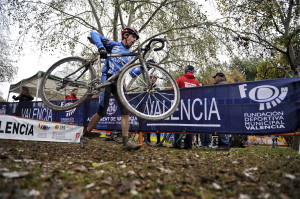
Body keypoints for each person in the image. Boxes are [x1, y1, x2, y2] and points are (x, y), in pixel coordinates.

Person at [80, 27, 142, 151]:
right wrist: (101, 47)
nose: (135, 40)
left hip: (120, 83)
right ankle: (85, 135)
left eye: (136, 39)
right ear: (126, 35)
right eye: (133, 37)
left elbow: (133, 74)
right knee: (102, 111)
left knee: (125, 111)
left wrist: (143, 68)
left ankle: (126, 142)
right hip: (107, 78)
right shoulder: (114, 45)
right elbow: (93, 33)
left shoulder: (129, 56)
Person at [173, 65, 201, 149]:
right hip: (192, 107)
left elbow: (173, 89)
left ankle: (177, 145)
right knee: (189, 126)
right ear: (192, 72)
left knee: (179, 125)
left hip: (181, 106)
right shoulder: (196, 82)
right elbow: (200, 93)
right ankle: (188, 145)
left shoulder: (180, 79)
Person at [212, 72, 231, 151]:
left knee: (222, 126)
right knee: (223, 126)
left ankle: (225, 144)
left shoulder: (219, 86)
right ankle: (222, 144)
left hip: (221, 109)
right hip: (226, 109)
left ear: (218, 77)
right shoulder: (227, 85)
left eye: (215, 77)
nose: (214, 79)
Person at [146, 74, 162, 145]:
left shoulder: (158, 88)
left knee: (157, 124)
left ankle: (158, 141)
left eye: (154, 78)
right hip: (148, 108)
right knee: (148, 124)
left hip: (156, 108)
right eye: (151, 78)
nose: (153, 79)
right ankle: (148, 140)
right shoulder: (145, 87)